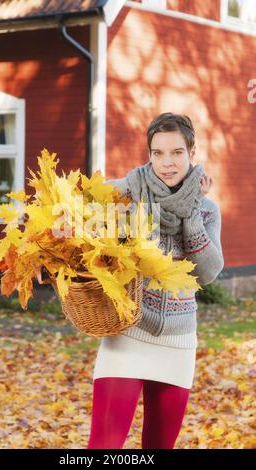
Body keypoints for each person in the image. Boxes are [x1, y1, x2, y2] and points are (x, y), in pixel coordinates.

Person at [86, 112, 224, 449]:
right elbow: (78, 223)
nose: (166, 163)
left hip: (178, 342)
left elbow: (208, 272)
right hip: (128, 333)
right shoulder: (124, 194)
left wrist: (190, 213)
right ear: (148, 154)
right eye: (157, 153)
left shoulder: (206, 210)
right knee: (103, 447)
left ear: (192, 154)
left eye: (176, 152)